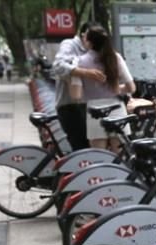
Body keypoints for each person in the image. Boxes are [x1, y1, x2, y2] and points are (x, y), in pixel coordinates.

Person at [69, 25, 136, 151]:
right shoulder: (116, 58)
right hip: (117, 110)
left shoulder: (79, 62)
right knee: (121, 157)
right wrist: (116, 89)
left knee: (100, 159)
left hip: (94, 112)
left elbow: (76, 95)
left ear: (89, 42)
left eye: (84, 37)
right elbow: (131, 87)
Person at [51, 22, 106, 151]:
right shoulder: (69, 45)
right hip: (70, 106)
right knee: (82, 149)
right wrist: (85, 72)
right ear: (84, 35)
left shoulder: (96, 50)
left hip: (89, 106)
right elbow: (58, 66)